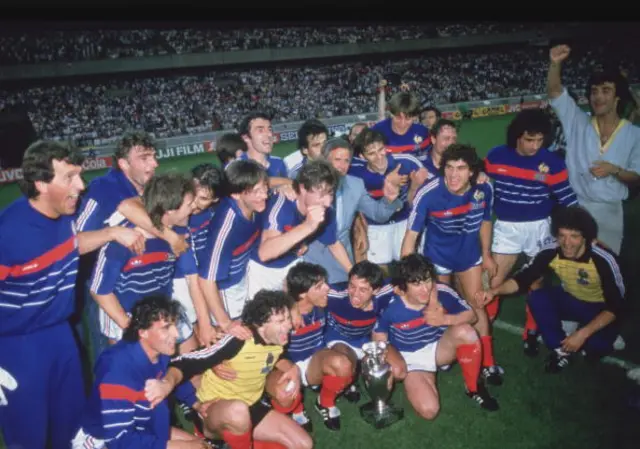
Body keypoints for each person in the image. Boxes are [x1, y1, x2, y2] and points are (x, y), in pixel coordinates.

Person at [0, 140, 143, 449]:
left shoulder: (65, 216)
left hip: (61, 336)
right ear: (40, 183)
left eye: (79, 175)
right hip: (15, 347)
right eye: (69, 177)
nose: (80, 185)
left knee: (73, 428)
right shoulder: (8, 233)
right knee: (29, 437)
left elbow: (72, 243)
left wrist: (110, 233)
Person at [145, 289, 313, 449]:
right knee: (238, 411)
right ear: (260, 324)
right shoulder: (238, 340)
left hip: (250, 405)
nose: (289, 326)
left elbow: (276, 356)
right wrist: (171, 387)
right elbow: (184, 362)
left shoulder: (277, 340)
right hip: (214, 411)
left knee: (304, 444)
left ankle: (243, 438)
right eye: (280, 321)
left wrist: (293, 369)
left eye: (288, 319)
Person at [476, 206, 625, 373]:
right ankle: (559, 350)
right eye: (562, 236)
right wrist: (494, 291)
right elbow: (523, 279)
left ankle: (597, 337)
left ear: (586, 237)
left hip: (600, 307)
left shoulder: (603, 259)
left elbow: (615, 307)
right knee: (538, 298)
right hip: (571, 298)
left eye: (574, 236)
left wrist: (582, 334)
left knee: (594, 349)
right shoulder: (551, 251)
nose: (567, 243)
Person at [401, 143, 503, 385]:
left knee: (476, 302)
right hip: (437, 258)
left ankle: (488, 362)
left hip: (468, 255)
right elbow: (410, 240)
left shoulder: (483, 188)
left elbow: (485, 221)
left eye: (460, 168)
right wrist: (408, 277)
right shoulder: (429, 194)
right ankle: (445, 351)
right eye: (449, 167)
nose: (453, 174)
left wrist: (487, 254)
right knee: (441, 305)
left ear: (471, 171)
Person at [484, 109, 578, 355]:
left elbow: (567, 197)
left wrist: (580, 227)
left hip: (539, 227)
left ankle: (531, 331)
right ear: (517, 135)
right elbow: (481, 182)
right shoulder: (496, 156)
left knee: (536, 281)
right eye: (529, 139)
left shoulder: (553, 162)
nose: (535, 146)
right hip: (507, 227)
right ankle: (484, 329)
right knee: (494, 279)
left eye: (539, 140)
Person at [71, 295, 209, 449]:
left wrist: (195, 403)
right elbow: (119, 440)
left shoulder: (159, 352)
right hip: (103, 441)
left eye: (175, 325)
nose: (176, 334)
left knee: (202, 447)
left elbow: (168, 378)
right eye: (166, 327)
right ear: (143, 332)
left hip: (143, 428)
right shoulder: (117, 372)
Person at [89, 173, 206, 353]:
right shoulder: (125, 240)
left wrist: (204, 325)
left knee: (195, 366)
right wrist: (132, 329)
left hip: (163, 311)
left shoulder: (178, 235)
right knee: (138, 375)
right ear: (170, 209)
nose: (194, 207)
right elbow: (99, 290)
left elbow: (193, 277)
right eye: (189, 204)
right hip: (128, 317)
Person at [372, 254, 498, 420]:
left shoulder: (442, 291)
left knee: (466, 332)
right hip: (409, 358)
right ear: (403, 287)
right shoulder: (390, 304)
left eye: (427, 280)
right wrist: (388, 366)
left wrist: (445, 319)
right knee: (429, 410)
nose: (425, 289)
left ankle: (474, 386)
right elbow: (379, 338)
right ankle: (423, 376)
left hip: (438, 348)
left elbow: (472, 316)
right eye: (416, 284)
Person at [547, 44, 640, 255]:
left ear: (618, 98)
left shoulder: (634, 134)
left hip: (611, 209)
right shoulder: (578, 122)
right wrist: (554, 64)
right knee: (573, 265)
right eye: (594, 91)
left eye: (606, 91)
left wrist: (614, 170)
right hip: (577, 205)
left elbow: (636, 176)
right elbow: (555, 93)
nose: (598, 96)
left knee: (605, 265)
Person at [303, 138, 403, 284]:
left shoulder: (355, 185)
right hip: (311, 261)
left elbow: (378, 214)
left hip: (342, 264)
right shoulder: (307, 183)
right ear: (324, 159)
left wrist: (389, 199)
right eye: (337, 159)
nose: (342, 165)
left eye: (346, 160)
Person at [248, 160, 351, 299]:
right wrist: (308, 226)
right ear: (303, 188)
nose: (327, 202)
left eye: (331, 194)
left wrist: (352, 273)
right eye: (321, 194)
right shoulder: (282, 205)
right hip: (262, 271)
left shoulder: (326, 209)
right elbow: (264, 253)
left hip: (292, 263)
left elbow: (333, 243)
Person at [281, 262, 355, 431]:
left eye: (325, 283)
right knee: (282, 392)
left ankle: (325, 401)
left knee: (348, 362)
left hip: (319, 357)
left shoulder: (322, 304)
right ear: (302, 293)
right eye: (319, 286)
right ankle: (297, 409)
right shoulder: (283, 314)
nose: (327, 288)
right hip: (294, 364)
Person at [198, 159, 269, 336]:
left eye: (265, 188)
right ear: (236, 195)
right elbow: (206, 279)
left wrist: (287, 185)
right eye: (256, 191)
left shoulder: (254, 204)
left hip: (243, 277)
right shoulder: (226, 226)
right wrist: (225, 322)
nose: (265, 195)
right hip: (225, 290)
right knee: (238, 339)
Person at [348, 128, 428, 267]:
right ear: (362, 156)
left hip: (405, 223)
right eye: (371, 153)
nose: (379, 156)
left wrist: (414, 186)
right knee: (379, 272)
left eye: (381, 150)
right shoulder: (354, 172)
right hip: (375, 228)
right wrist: (359, 226)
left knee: (408, 268)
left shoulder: (407, 162)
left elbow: (422, 198)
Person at [324, 260, 395, 400]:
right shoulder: (335, 295)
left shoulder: (384, 293)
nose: (355, 294)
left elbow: (408, 280)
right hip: (338, 335)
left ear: (376, 290)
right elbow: (304, 291)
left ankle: (378, 400)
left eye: (363, 289)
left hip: (364, 338)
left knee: (393, 369)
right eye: (352, 286)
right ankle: (324, 402)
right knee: (346, 365)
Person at [237, 112, 290, 190]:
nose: (269, 134)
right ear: (246, 138)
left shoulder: (279, 162)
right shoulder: (236, 167)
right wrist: (284, 182)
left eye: (270, 129)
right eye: (260, 130)